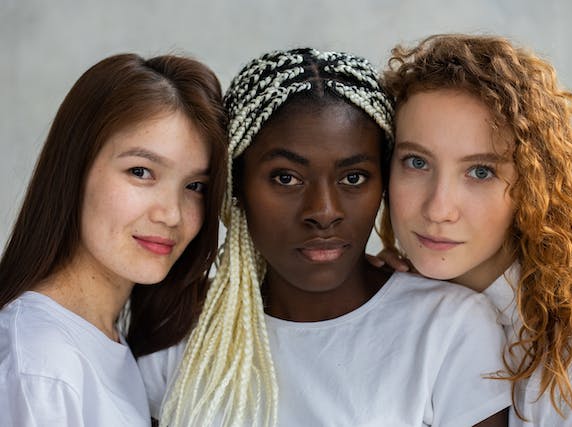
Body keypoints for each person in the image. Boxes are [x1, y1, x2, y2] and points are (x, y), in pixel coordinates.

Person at [138, 47, 511, 427]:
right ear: (236, 185)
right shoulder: (181, 328)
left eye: (353, 178)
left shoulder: (448, 328)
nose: (324, 212)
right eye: (286, 178)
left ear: (383, 183)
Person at [374, 34, 572, 426]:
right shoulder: (391, 301)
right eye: (416, 162)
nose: (439, 208)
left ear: (534, 187)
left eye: (480, 172)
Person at [0, 53, 227, 426]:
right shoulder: (41, 368)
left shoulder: (105, 341)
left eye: (195, 186)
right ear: (75, 169)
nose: (171, 213)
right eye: (141, 172)